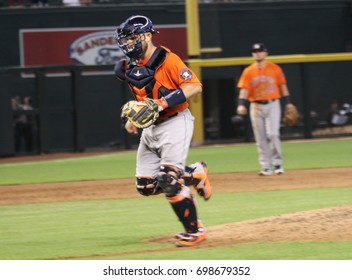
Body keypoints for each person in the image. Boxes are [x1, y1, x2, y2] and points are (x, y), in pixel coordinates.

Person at [114, 15, 211, 247]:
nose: (128, 44)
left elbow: (194, 86)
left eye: (132, 38)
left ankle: (195, 231)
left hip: (176, 121)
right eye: (126, 40)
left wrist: (161, 104)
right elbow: (143, 95)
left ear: (147, 36)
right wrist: (135, 120)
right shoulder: (128, 67)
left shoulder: (168, 59)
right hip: (151, 128)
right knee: (146, 186)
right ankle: (195, 174)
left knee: (168, 179)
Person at [236, 43, 295, 176]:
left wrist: (288, 103)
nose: (257, 53)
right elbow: (244, 90)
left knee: (273, 134)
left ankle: (278, 164)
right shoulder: (248, 71)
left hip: (273, 104)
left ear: (266, 53)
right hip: (255, 106)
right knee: (260, 137)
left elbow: (282, 86)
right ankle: (266, 167)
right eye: (255, 51)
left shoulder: (275, 69)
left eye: (260, 51)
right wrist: (241, 104)